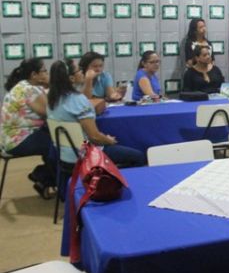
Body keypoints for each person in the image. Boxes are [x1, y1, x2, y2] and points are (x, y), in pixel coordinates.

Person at [47, 60, 146, 167]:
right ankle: (109, 175)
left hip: (62, 155)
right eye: (79, 70)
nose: (82, 72)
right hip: (84, 154)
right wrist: (108, 140)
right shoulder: (78, 100)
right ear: (71, 78)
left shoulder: (51, 100)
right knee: (139, 157)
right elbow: (94, 137)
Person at [0, 58, 54, 195]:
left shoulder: (23, 86)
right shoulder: (29, 89)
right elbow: (49, 112)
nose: (47, 73)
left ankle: (46, 178)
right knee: (58, 146)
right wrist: (52, 85)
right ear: (34, 75)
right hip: (18, 140)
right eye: (44, 71)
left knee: (52, 142)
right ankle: (44, 176)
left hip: (10, 139)